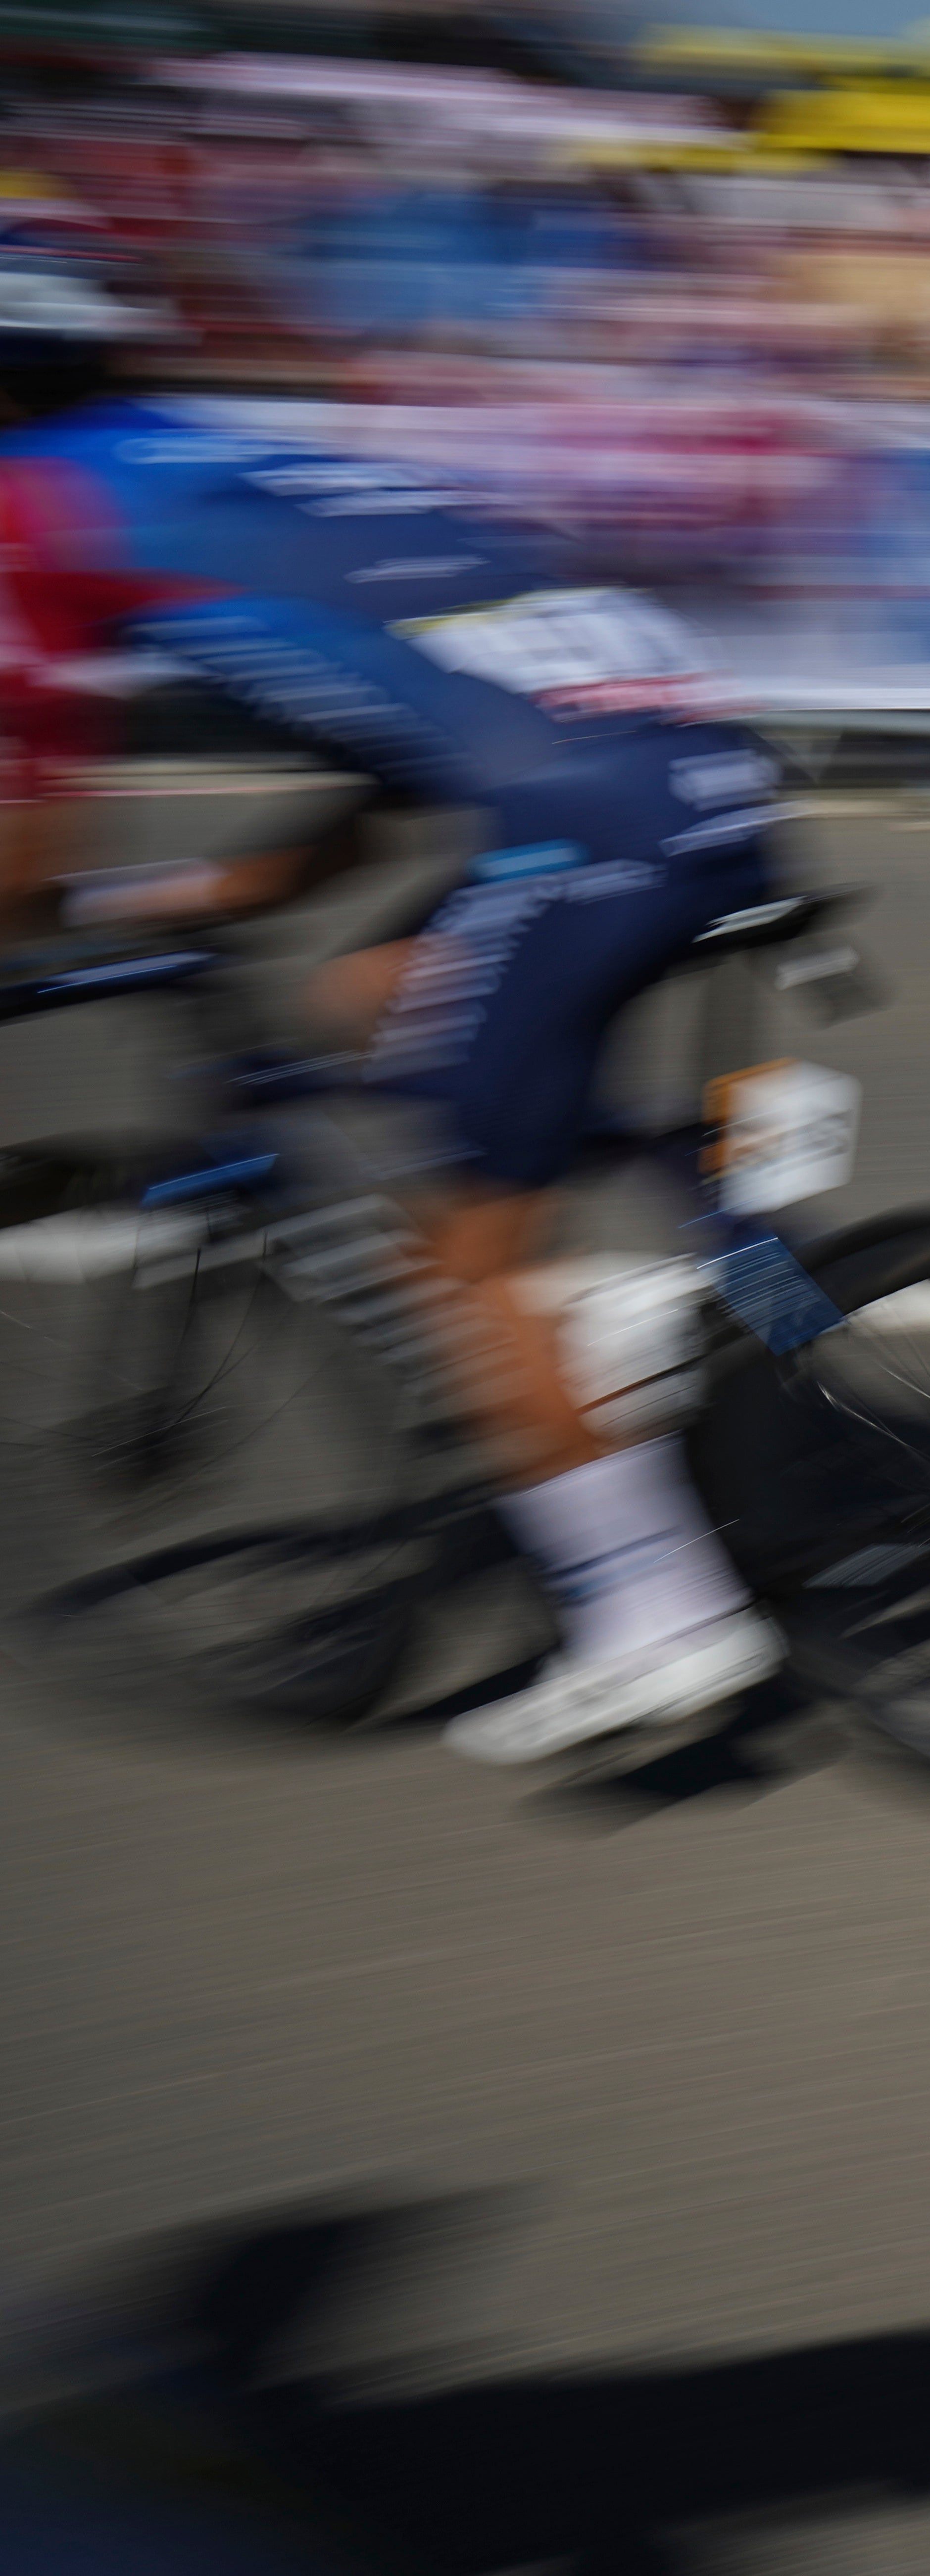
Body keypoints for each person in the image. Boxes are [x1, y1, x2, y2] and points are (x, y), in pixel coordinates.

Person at [0, 254, 792, 1765]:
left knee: (462, 1254)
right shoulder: (233, 454)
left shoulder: (28, 502)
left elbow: (32, 790)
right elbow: (416, 707)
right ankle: (612, 1288)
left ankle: (658, 1616)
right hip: (698, 771)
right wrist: (252, 883)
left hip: (583, 828)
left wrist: (39, 911)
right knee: (364, 993)